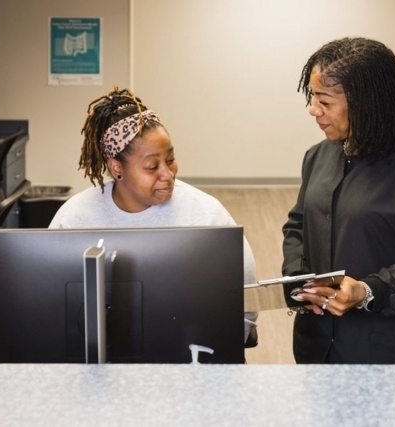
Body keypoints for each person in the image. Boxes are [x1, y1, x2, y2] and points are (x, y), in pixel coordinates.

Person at [281, 37, 395, 364]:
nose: (313, 110)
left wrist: (369, 291)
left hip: (392, 350)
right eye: (313, 97)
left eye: (324, 101)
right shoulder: (318, 157)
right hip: (319, 343)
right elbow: (298, 225)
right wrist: (301, 280)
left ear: (365, 103)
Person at [49, 86, 258, 345]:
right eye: (152, 166)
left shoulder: (205, 215)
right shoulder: (73, 220)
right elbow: (53, 308)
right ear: (117, 168)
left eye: (170, 160)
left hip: (193, 359)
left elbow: (247, 300)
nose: (167, 174)